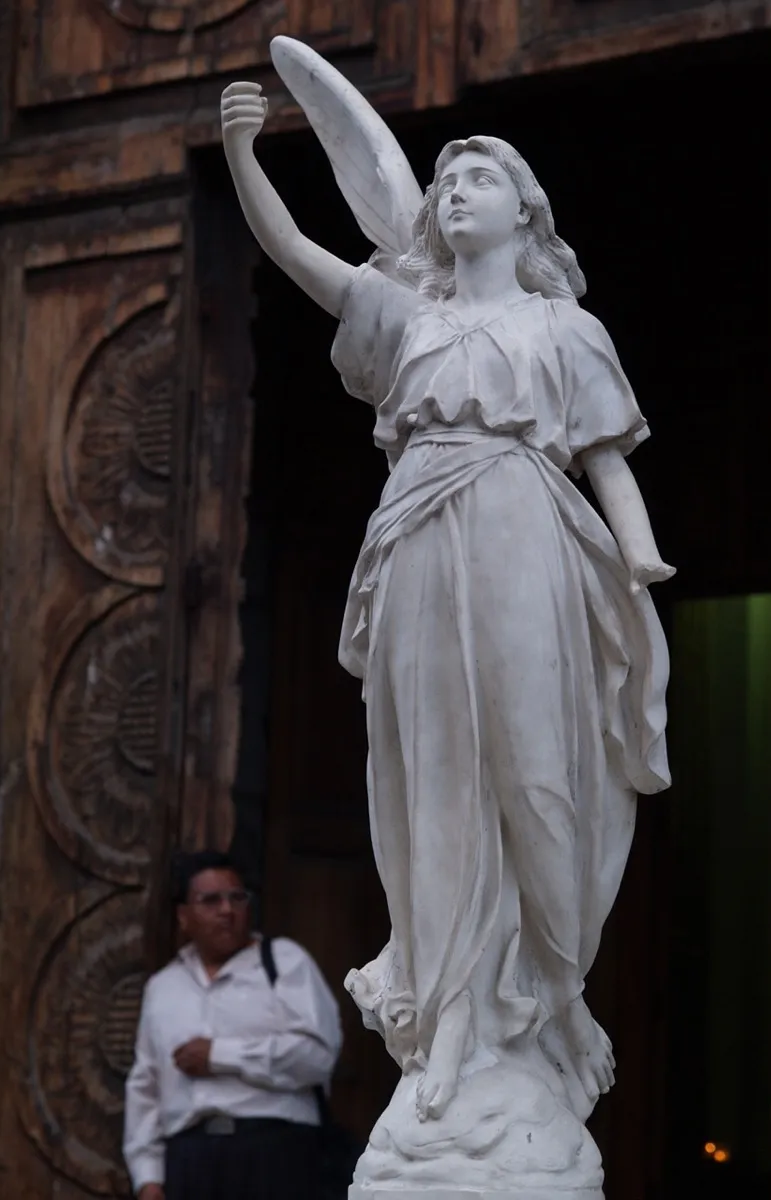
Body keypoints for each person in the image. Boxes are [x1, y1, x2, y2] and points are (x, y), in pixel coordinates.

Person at [221, 81, 673, 1132]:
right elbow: (294, 250)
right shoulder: (407, 318)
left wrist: (641, 560)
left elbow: (606, 455)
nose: (458, 191)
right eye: (447, 181)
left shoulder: (565, 328)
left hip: (524, 529)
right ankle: (452, 1011)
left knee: (535, 771)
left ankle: (558, 993)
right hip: (418, 538)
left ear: (526, 212)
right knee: (433, 778)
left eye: (480, 178)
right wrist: (243, 153)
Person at [123, 850, 342, 1200]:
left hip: (275, 1153)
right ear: (183, 916)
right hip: (189, 1162)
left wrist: (219, 1056)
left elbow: (317, 1057)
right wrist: (147, 1178)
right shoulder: (163, 987)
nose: (227, 910)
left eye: (237, 898)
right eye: (211, 900)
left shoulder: (284, 962)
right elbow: (145, 1087)